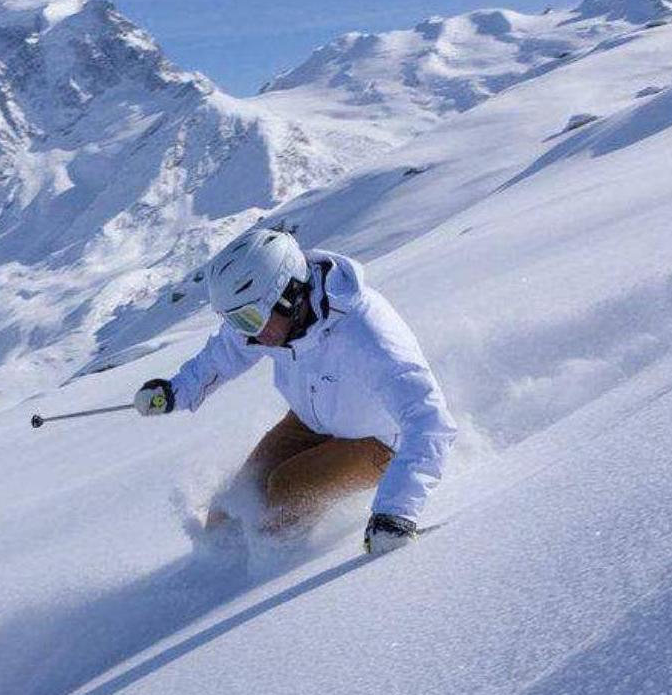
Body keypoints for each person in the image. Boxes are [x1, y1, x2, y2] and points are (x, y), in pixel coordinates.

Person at [133, 228, 456, 554]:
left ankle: (262, 581)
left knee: (286, 493)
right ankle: (213, 577)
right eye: (235, 321)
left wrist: (397, 513)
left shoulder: (364, 332)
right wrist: (176, 391)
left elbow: (429, 419)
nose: (247, 334)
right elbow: (225, 353)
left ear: (288, 294)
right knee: (233, 505)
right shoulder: (270, 322)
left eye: (247, 319)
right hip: (313, 420)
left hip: (379, 439)